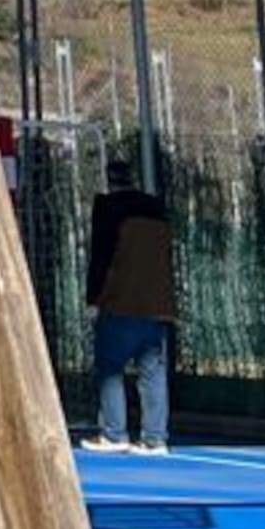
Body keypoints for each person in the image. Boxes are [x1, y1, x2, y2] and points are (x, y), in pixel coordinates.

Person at [83, 168, 178, 452]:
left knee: (110, 367)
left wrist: (94, 297)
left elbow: (102, 256)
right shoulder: (157, 210)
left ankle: (114, 433)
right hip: (158, 304)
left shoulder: (109, 209)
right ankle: (155, 437)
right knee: (153, 371)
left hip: (121, 300)